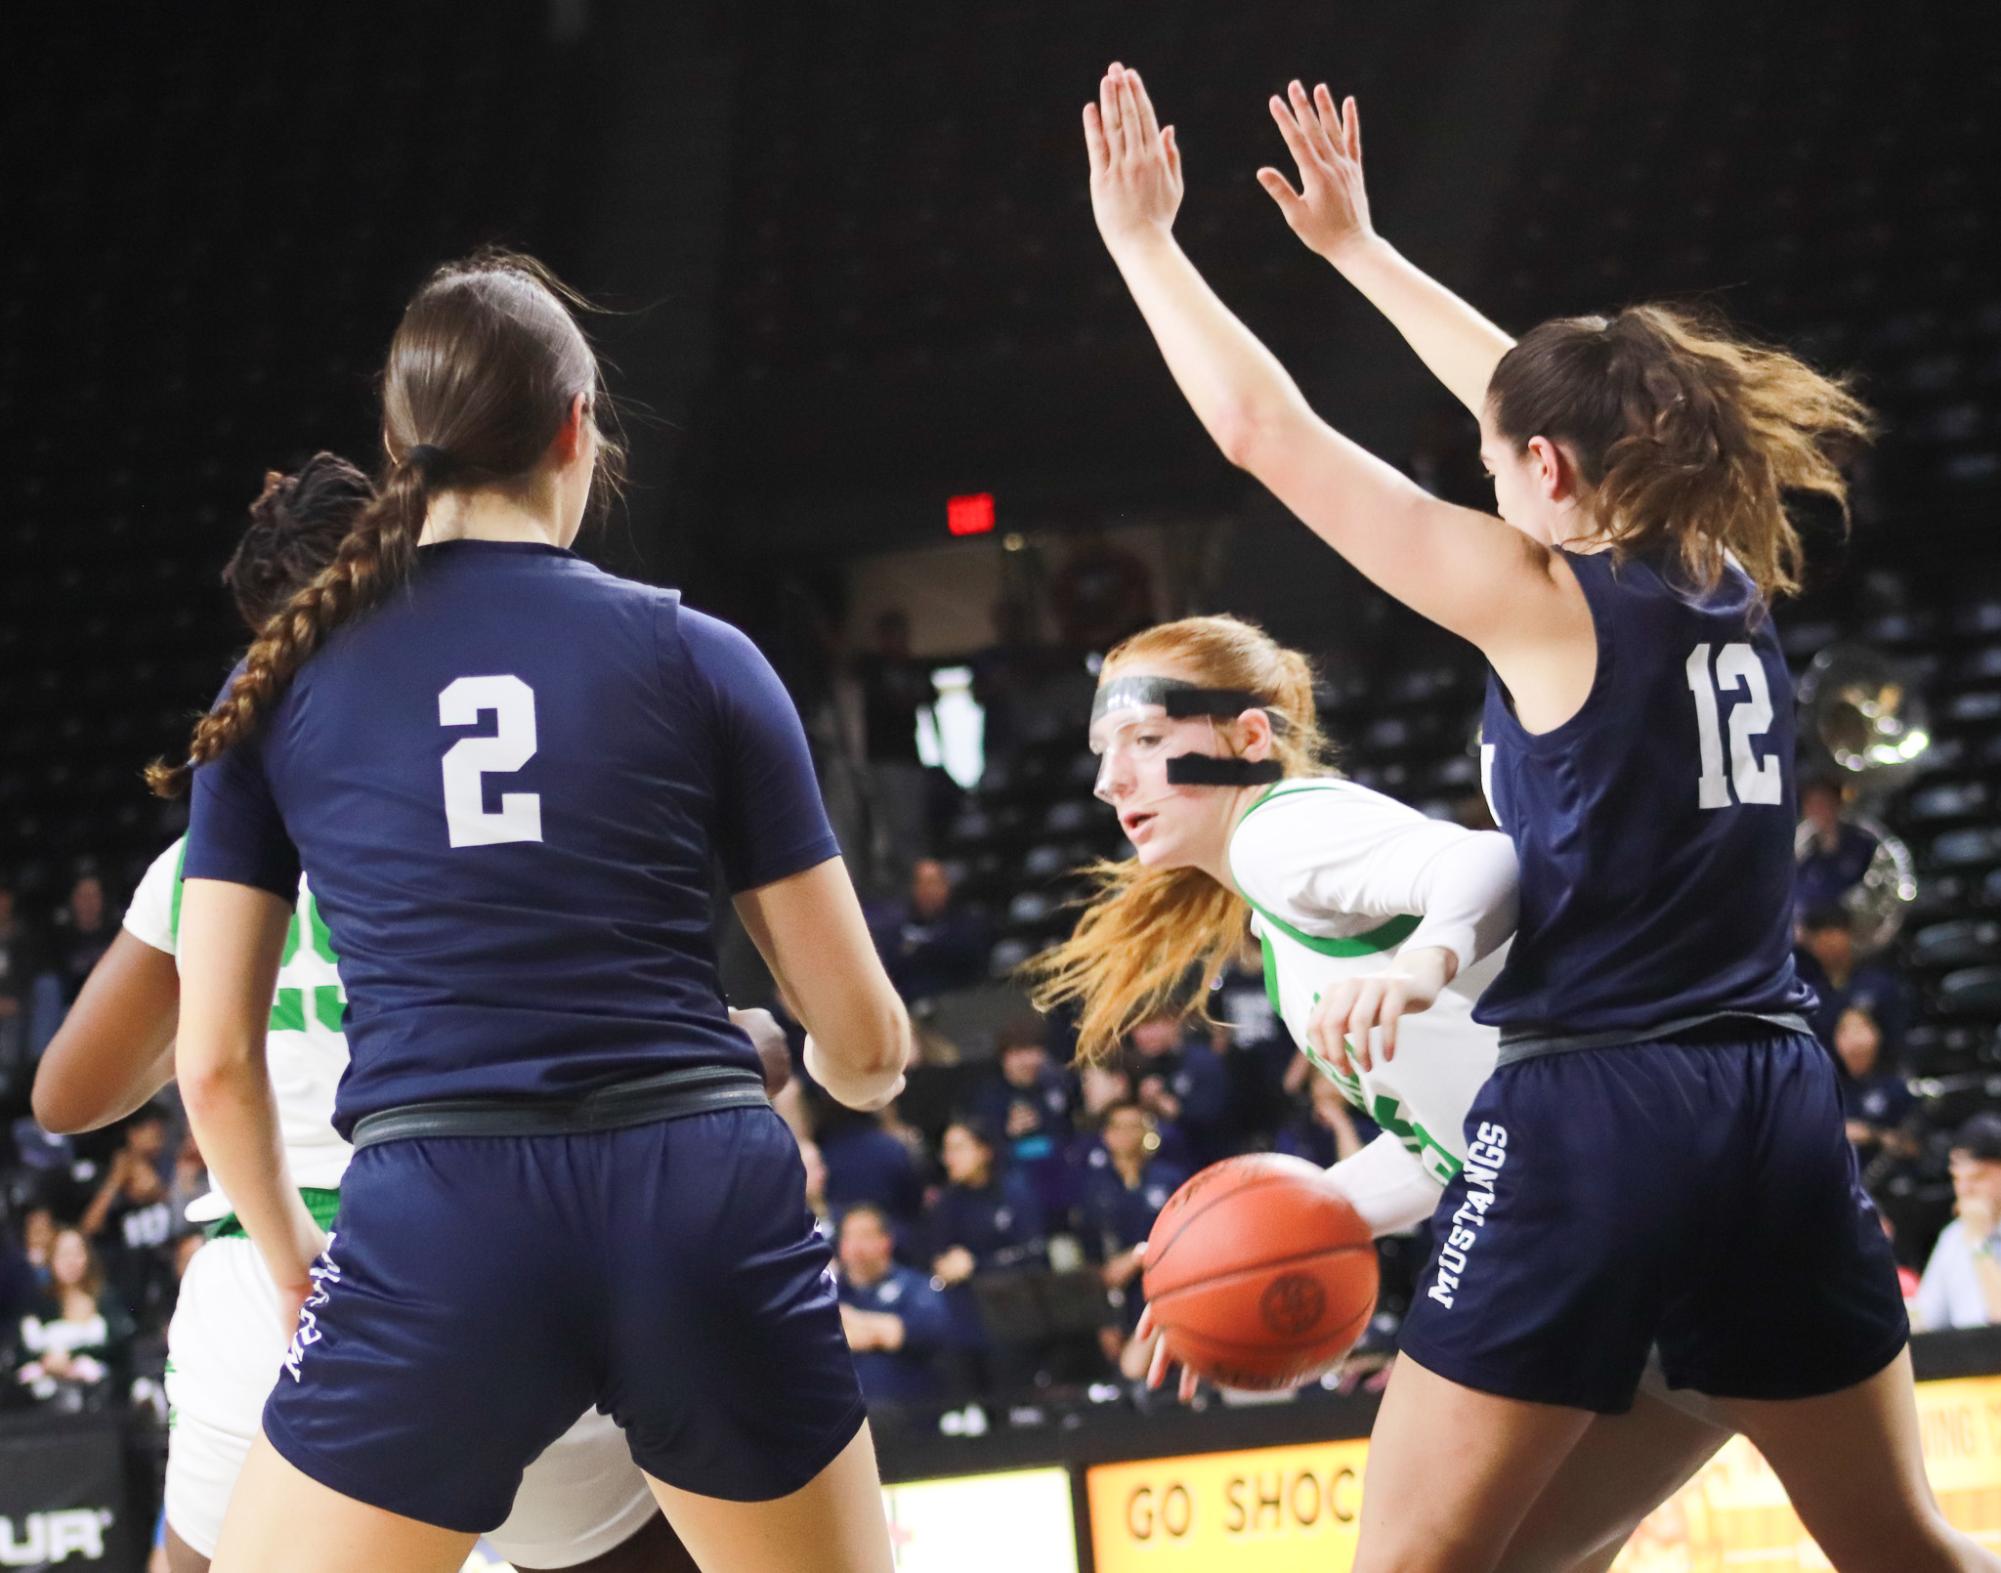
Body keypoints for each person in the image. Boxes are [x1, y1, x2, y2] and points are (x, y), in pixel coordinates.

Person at [1082, 63, 1979, 1569]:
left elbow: (1268, 435)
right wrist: (1357, 254)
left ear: (1549, 475)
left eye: (1497, 468)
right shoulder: (1716, 563)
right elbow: (1542, 403)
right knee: (1904, 1550)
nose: (1487, 486)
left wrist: (1143, 248)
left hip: (1599, 1114)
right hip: (1771, 1097)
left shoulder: (1544, 603)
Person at [148, 253, 910, 1572]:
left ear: (399, 451)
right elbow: (869, 1041)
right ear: (576, 427)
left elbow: (212, 1065)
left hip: (442, 1215)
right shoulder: (702, 654)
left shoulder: (278, 680)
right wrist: (828, 1066)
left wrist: (290, 1259)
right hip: (696, 1196)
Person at [33, 455, 699, 1573]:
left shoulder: (208, 853)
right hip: (485, 1247)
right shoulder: (494, 799)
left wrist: (234, 1030)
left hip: (270, 1286)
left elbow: (69, 1094)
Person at [833, 1205, 951, 1410]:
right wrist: (880, 1330)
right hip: (845, 1417)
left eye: (865, 1236)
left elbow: (924, 1330)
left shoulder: (914, 1285)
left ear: (886, 1242)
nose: (856, 1246)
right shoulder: (830, 1292)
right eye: (849, 1237)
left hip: (908, 1410)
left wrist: (852, 1320)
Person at [15, 1226, 131, 1409]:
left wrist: (71, 1357)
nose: (71, 1262)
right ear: (51, 1259)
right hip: (48, 1400)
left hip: (102, 1400)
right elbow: (21, 1351)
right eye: (63, 1255)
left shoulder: (105, 1298)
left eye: (77, 1253)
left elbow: (120, 1344)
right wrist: (47, 1361)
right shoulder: (40, 1304)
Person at [1914, 1114, 2001, 1332]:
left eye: (1977, 1177)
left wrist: (1978, 1243)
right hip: (1967, 1362)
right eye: (1957, 1178)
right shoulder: (1953, 1237)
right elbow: (1925, 1321)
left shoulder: (1970, 1236)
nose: (1964, 1190)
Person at [869, 858, 987, 1005]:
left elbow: (968, 952)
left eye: (934, 883)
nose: (929, 890)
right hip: (911, 1004)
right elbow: (890, 962)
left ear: (946, 887)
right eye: (923, 884)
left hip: (957, 1002)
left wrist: (919, 948)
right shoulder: (897, 927)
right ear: (914, 888)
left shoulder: (965, 921)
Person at [1797, 777, 1881, 917]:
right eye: (1811, 804)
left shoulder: (1862, 843)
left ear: (1837, 803)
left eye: (1823, 802)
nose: (1818, 810)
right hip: (1807, 924)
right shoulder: (1799, 847)